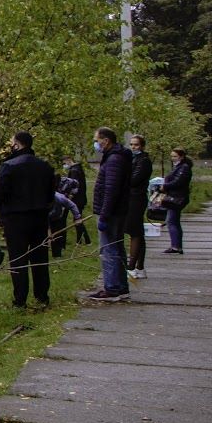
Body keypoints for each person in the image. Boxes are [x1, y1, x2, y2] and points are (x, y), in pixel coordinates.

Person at [0, 132, 58, 309]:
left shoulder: (9, 166)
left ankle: (20, 299)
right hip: (39, 218)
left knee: (18, 259)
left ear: (17, 144)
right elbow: (51, 195)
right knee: (40, 258)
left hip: (15, 219)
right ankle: (41, 296)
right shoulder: (45, 167)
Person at [83, 128, 133, 302]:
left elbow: (111, 189)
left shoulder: (114, 160)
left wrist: (104, 215)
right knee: (117, 248)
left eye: (97, 140)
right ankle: (121, 286)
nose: (95, 143)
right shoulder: (118, 157)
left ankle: (112, 288)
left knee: (109, 249)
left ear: (106, 140)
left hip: (111, 213)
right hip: (117, 211)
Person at [124, 134, 153, 278]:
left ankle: (132, 266)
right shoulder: (134, 159)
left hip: (136, 198)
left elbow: (134, 180)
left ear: (141, 146)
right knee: (138, 233)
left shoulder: (143, 161)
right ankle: (139, 267)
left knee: (134, 232)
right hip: (132, 197)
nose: (133, 147)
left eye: (136, 144)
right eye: (131, 144)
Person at [158, 147, 192, 254]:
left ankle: (175, 246)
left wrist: (165, 186)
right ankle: (177, 245)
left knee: (171, 221)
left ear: (181, 157)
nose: (173, 158)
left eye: (175, 156)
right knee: (174, 221)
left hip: (177, 198)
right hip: (175, 196)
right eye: (172, 156)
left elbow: (178, 181)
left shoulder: (183, 168)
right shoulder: (179, 167)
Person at [62, 155, 91, 244]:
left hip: (75, 199)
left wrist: (69, 197)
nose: (64, 165)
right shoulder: (77, 168)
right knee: (77, 219)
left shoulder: (74, 170)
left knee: (76, 219)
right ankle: (82, 240)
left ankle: (83, 240)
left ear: (68, 160)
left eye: (64, 163)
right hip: (80, 198)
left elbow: (74, 186)